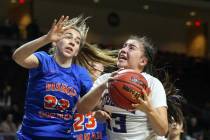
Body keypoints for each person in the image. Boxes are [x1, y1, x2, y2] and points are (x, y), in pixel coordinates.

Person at [12, 15, 116, 140]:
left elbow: (88, 107)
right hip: (30, 136)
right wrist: (46, 38)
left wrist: (97, 112)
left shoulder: (80, 74)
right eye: (68, 37)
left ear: (77, 51)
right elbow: (18, 57)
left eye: (77, 42)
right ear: (55, 41)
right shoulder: (44, 60)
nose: (72, 42)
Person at [77, 35, 168, 139]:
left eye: (131, 47)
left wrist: (149, 110)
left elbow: (162, 130)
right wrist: (96, 113)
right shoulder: (105, 79)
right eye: (124, 46)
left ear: (142, 61)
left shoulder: (153, 84)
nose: (123, 50)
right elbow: (81, 109)